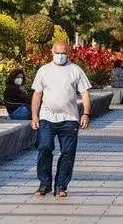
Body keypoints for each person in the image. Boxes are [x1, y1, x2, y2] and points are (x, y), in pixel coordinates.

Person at [31, 40, 92, 197]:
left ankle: (61, 186)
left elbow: (85, 93)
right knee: (44, 148)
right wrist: (34, 116)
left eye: (63, 53)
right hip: (47, 117)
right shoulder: (43, 71)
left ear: (68, 52)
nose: (60, 56)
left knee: (67, 153)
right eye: (57, 53)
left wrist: (86, 113)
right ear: (52, 52)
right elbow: (37, 94)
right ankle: (44, 184)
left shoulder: (75, 70)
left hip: (69, 119)